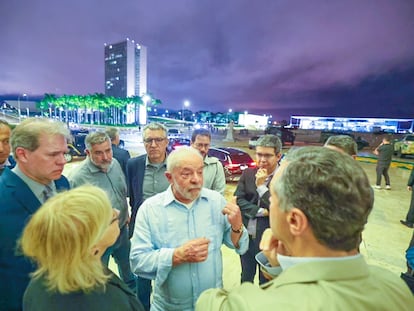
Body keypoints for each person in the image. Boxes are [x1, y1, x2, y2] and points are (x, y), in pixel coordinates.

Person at [196, 146, 414, 310]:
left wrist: (281, 271)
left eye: (275, 199)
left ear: (295, 222)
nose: (271, 205)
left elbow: (206, 301)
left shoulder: (249, 304)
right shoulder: (395, 289)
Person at [130, 147, 249, 311]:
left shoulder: (216, 201)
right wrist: (176, 255)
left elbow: (238, 245)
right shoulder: (151, 209)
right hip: (170, 307)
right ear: (169, 177)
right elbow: (138, 262)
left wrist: (237, 226)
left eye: (200, 172)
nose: (196, 180)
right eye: (186, 174)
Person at [20, 185, 144, 311]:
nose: (117, 212)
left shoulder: (40, 284)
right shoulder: (106, 302)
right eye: (111, 218)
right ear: (92, 245)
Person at [0, 118, 70, 311]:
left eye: (64, 153)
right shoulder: (3, 196)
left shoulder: (63, 184)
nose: (62, 161)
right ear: (22, 154)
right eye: (53, 154)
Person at [68, 131, 137, 293]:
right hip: (99, 239)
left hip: (121, 232)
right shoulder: (77, 179)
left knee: (129, 275)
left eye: (108, 150)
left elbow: (120, 191)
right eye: (99, 153)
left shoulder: (114, 164)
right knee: (99, 282)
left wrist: (125, 213)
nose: (106, 157)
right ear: (87, 153)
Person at [126, 122, 170, 310]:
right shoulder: (133, 164)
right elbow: (133, 198)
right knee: (142, 278)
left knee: (166, 273)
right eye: (148, 140)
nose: (153, 145)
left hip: (168, 229)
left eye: (158, 140)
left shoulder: (176, 164)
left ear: (166, 142)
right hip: (141, 230)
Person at [235, 134, 283, 285]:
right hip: (247, 236)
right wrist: (261, 211)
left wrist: (261, 186)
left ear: (278, 156)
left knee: (266, 281)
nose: (262, 160)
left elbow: (280, 208)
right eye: (259, 154)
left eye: (268, 155)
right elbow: (239, 200)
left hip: (269, 240)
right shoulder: (248, 173)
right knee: (246, 277)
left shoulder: (285, 178)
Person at [191, 128, 226, 194]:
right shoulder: (181, 163)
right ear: (192, 144)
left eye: (206, 145)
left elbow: (219, 194)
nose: (203, 149)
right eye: (199, 145)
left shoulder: (216, 166)